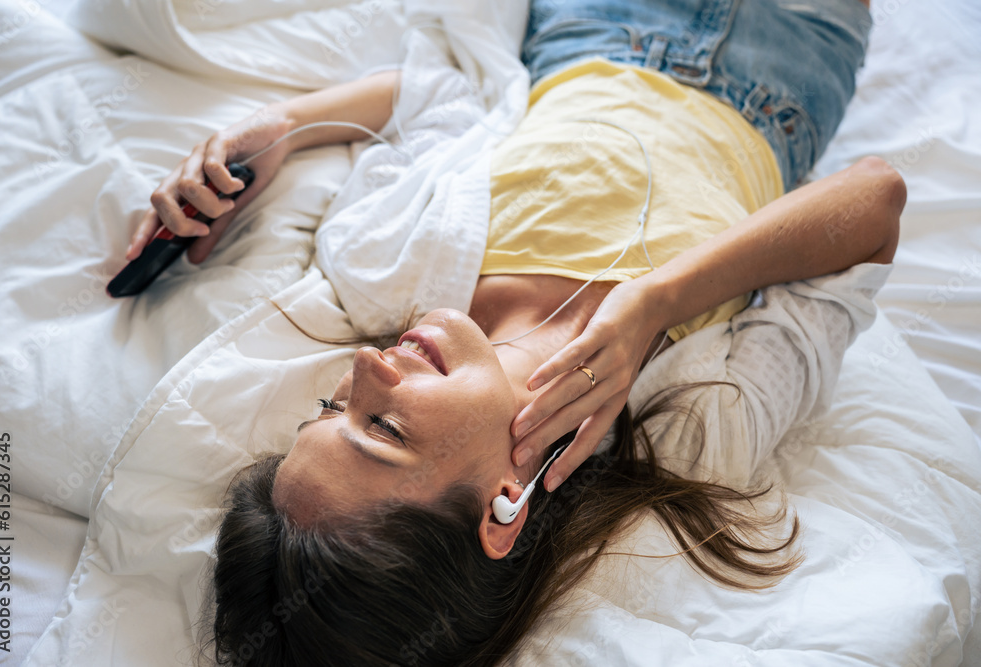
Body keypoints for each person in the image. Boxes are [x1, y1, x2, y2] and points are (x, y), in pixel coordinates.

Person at [129, 0, 903, 664]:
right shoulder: (688, 419)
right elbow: (874, 199)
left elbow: (443, 99)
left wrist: (286, 126)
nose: (365, 367)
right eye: (384, 427)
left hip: (586, 25)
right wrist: (656, 301)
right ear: (503, 507)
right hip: (779, 66)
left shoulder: (391, 265)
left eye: (330, 410)